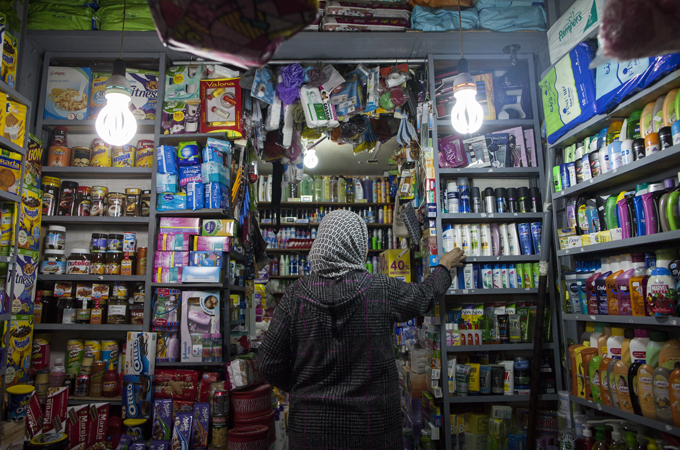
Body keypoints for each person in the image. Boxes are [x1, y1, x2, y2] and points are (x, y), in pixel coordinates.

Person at [257, 209, 466, 450]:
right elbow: (424, 296)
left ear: (321, 244)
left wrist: (304, 387)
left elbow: (269, 363)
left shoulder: (295, 295)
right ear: (357, 247)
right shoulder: (381, 288)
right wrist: (443, 267)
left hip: (312, 430)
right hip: (374, 427)